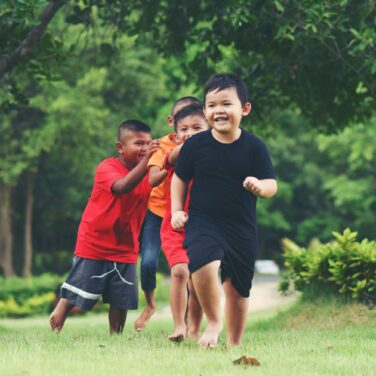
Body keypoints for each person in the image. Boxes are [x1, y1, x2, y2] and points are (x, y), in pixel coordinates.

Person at [171, 73, 277, 348]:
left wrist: (259, 187)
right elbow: (179, 178)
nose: (218, 110)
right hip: (203, 221)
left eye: (226, 104)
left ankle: (235, 343)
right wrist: (176, 211)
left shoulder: (254, 146)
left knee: (238, 289)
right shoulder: (195, 145)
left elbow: (271, 184)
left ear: (244, 109)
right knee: (203, 262)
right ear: (205, 111)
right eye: (211, 105)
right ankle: (214, 322)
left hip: (241, 226)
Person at [49, 120, 160, 334]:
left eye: (148, 144)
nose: (144, 148)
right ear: (120, 147)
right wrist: (147, 160)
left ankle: (115, 336)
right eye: (138, 143)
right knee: (85, 287)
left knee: (122, 295)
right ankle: (64, 305)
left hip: (126, 244)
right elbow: (123, 186)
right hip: (95, 240)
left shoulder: (150, 174)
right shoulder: (107, 167)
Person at [134, 96, 202, 332]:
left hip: (191, 213)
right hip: (159, 212)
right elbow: (152, 179)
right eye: (183, 123)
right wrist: (172, 160)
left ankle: (187, 322)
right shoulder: (163, 146)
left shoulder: (206, 144)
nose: (189, 129)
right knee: (150, 262)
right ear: (173, 122)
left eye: (196, 123)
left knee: (191, 272)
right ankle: (151, 305)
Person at [160, 104, 208, 342]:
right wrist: (189, 143)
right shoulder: (176, 153)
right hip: (175, 225)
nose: (190, 133)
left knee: (197, 278)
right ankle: (179, 325)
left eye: (197, 128)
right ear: (176, 134)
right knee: (180, 271)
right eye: (184, 129)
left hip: (203, 226)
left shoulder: (214, 155)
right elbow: (171, 157)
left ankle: (195, 327)